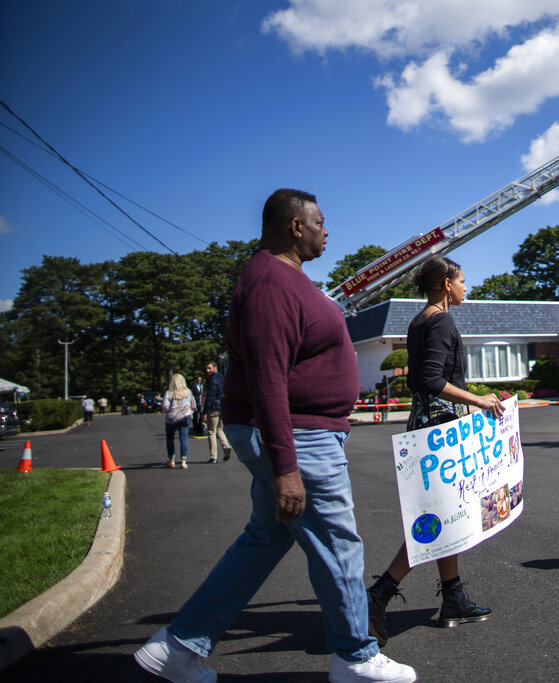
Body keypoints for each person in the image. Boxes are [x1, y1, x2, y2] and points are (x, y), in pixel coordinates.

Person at [135, 189, 414, 683]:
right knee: (338, 542)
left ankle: (177, 648)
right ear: (295, 226)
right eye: (321, 222)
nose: (328, 231)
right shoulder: (270, 283)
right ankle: (355, 656)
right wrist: (285, 467)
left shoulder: (284, 279)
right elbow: (267, 377)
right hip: (298, 436)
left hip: (303, 432)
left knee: (266, 538)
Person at [365, 255, 504, 647]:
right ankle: (378, 594)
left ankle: (452, 598)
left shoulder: (417, 321)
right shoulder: (441, 319)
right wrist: (477, 399)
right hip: (441, 432)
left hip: (425, 427)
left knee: (449, 516)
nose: (466, 287)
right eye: (462, 280)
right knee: (437, 520)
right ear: (446, 284)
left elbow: (419, 379)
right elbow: (429, 379)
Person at [162, 374, 197, 469]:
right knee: (183, 438)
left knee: (170, 438)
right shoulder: (188, 392)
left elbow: (165, 407)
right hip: (185, 417)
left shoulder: (169, 393)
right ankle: (183, 461)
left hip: (171, 419)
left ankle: (171, 460)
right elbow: (194, 405)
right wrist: (190, 412)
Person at [202, 361, 232, 463]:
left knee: (211, 431)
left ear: (215, 368)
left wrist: (205, 411)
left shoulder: (212, 380)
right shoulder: (222, 378)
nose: (207, 370)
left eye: (209, 368)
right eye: (206, 368)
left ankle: (213, 456)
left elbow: (210, 396)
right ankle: (226, 446)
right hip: (222, 407)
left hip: (214, 408)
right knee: (220, 429)